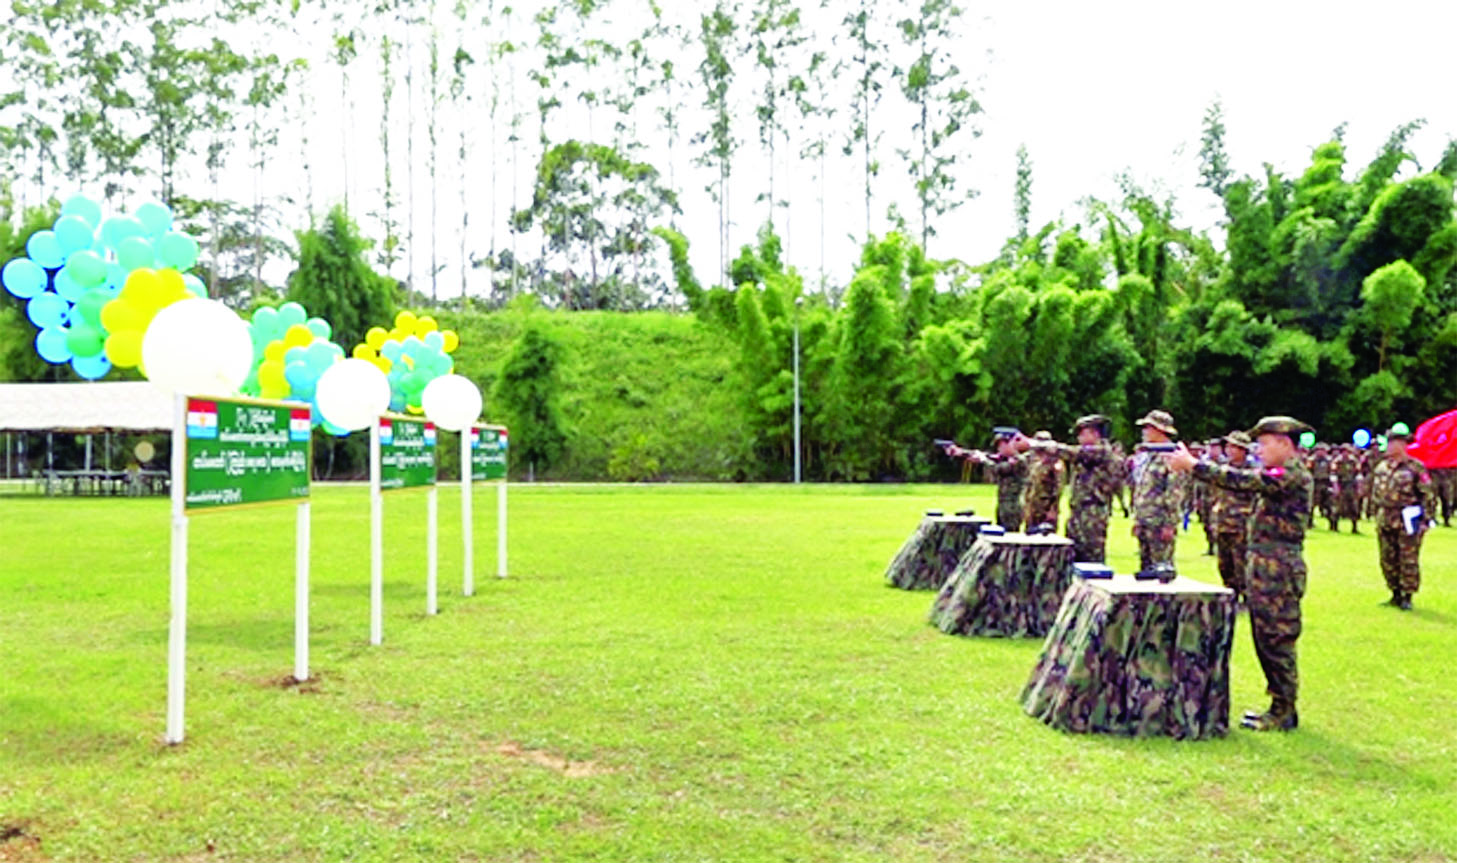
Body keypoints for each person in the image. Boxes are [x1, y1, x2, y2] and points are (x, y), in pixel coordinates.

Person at [1167, 416, 1312, 732]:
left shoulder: (1291, 474)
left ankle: (1284, 710)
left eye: (1265, 443)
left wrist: (1194, 466)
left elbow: (1244, 481)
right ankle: (1278, 706)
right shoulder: (1280, 472)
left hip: (1279, 571)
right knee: (1265, 638)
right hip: (1264, 568)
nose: (1259, 450)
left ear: (1284, 443)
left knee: (1277, 639)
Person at [1029, 415, 1119, 562]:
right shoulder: (1086, 454)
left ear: (1095, 433)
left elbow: (1070, 452)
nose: (1079, 438)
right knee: (1071, 556)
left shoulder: (1101, 452)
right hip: (1077, 512)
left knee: (1091, 558)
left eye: (1083, 433)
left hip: (1093, 515)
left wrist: (1032, 443)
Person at [1369, 424, 1439, 610]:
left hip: (1407, 519)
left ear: (1401, 445)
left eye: (1392, 443)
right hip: (1385, 516)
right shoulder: (1382, 467)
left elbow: (1427, 494)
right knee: (1387, 558)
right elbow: (1375, 492)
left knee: (1407, 559)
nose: (1388, 447)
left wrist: (1426, 519)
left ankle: (1407, 596)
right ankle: (1395, 593)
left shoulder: (1415, 467)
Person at [1205, 432, 1256, 605]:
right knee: (1224, 564)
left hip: (1241, 525)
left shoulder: (1251, 471)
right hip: (1222, 523)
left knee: (1241, 563)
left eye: (1234, 447)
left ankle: (1247, 597)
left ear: (1243, 450)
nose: (1229, 450)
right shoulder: (1222, 469)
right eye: (1228, 446)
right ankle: (1230, 595)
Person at [1130, 410, 1184, 571]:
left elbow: (1174, 492)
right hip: (1145, 520)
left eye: (1148, 427)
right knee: (1146, 570)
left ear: (1160, 430)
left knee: (1162, 570)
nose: (1144, 431)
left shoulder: (1171, 456)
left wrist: (1169, 524)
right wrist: (1137, 520)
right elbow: (1142, 489)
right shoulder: (1149, 455)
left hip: (1160, 523)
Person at [943, 430, 1029, 531]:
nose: (999, 449)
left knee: (1010, 534)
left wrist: (983, 460)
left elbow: (998, 469)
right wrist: (962, 453)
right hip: (1003, 505)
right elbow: (989, 457)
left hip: (1013, 507)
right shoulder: (1005, 459)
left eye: (1001, 445)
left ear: (1010, 444)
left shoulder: (1018, 460)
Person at [1022, 431, 1064, 531]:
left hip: (1045, 509)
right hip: (1032, 508)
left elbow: (1058, 488)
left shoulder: (1055, 464)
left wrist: (1052, 509)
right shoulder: (1034, 462)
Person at [1309, 443, 1335, 528]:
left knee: (1328, 504)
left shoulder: (1329, 460)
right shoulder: (1312, 460)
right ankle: (1310, 522)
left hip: (1325, 483)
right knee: (1312, 504)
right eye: (1319, 450)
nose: (1320, 452)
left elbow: (1332, 471)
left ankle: (1332, 523)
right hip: (1315, 483)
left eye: (1322, 450)